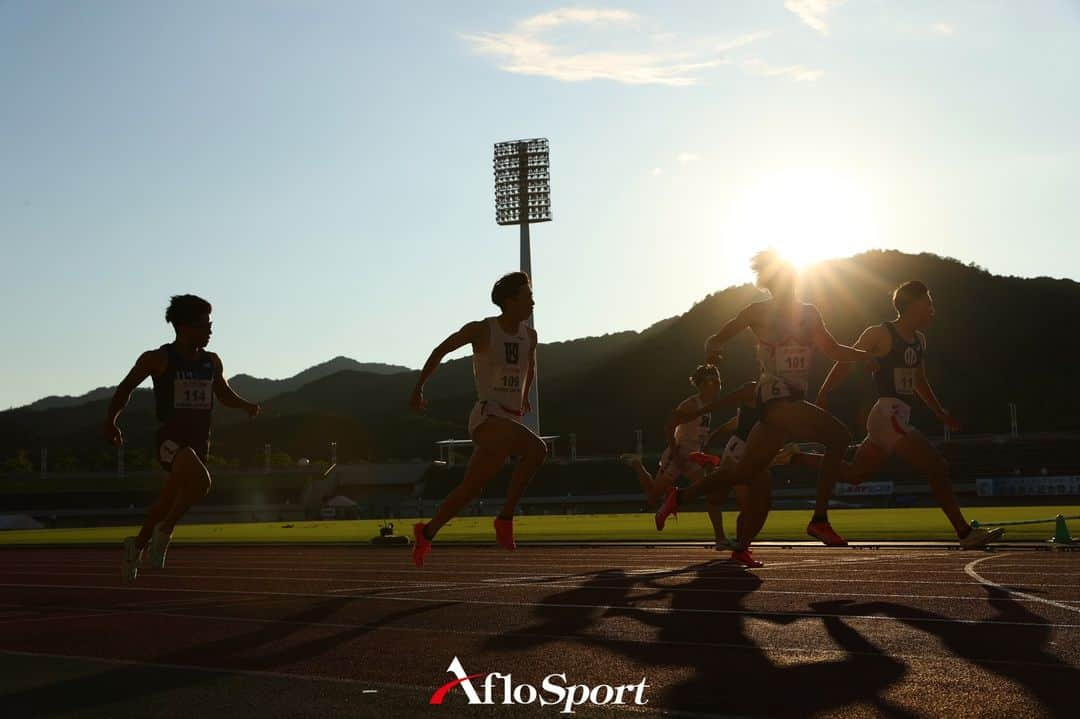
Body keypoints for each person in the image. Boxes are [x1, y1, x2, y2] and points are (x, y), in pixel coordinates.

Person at [656, 250, 877, 566]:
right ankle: (819, 519)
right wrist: (713, 354)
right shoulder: (757, 312)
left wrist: (863, 355)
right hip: (774, 399)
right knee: (839, 437)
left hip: (790, 403)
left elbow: (833, 349)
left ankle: (681, 498)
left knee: (744, 473)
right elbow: (715, 339)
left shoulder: (810, 313)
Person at [814, 281, 1004, 549]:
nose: (932, 311)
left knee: (854, 475)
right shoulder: (880, 333)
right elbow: (845, 359)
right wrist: (824, 392)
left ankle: (794, 457)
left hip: (898, 416)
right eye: (928, 304)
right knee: (936, 466)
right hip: (886, 414)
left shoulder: (919, 341)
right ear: (913, 305)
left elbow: (919, 380)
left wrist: (939, 412)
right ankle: (964, 533)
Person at [104, 295, 260, 583]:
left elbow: (223, 394)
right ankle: (165, 533)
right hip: (171, 440)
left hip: (201, 441)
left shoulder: (211, 362)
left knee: (166, 501)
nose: (210, 331)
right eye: (205, 325)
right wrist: (111, 421)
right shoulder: (158, 358)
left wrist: (245, 404)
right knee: (203, 482)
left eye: (211, 325)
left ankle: (136, 545)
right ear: (184, 327)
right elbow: (125, 389)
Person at [408, 272, 545, 567]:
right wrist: (419, 387)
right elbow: (440, 350)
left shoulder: (530, 337)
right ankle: (505, 519)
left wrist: (523, 398)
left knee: (470, 489)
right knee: (538, 450)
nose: (533, 301)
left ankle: (427, 533)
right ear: (510, 301)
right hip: (487, 417)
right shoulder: (482, 330)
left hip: (508, 422)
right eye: (528, 296)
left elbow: (529, 367)